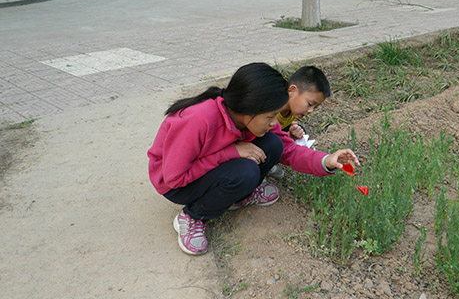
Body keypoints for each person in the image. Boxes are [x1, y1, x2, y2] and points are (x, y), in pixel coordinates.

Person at [147, 62, 359, 255]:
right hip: (176, 183)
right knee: (245, 173)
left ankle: (238, 196)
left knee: (273, 144)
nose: (274, 122)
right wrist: (230, 152)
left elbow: (288, 150)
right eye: (270, 117)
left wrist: (327, 161)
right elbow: (174, 178)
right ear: (249, 110)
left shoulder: (257, 115)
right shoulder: (197, 120)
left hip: (207, 167)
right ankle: (193, 216)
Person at [268, 66, 331, 179]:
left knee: (300, 132)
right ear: (292, 91)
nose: (311, 111)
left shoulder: (292, 110)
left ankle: (268, 164)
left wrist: (290, 137)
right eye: (310, 104)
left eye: (315, 107)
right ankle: (260, 173)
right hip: (248, 145)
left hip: (269, 137)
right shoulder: (270, 109)